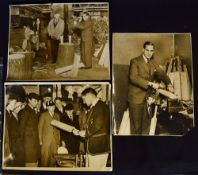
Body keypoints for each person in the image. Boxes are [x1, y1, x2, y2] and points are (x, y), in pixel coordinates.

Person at [128, 41, 174, 135]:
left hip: (148, 99)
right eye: (147, 50)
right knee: (136, 128)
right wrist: (151, 84)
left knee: (146, 127)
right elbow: (133, 78)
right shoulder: (135, 61)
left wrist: (169, 83)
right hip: (136, 99)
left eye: (151, 51)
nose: (149, 53)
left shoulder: (153, 62)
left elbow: (161, 74)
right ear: (143, 50)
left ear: (153, 52)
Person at [73, 87, 110, 169]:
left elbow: (97, 125)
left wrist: (85, 133)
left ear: (89, 96)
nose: (83, 102)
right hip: (99, 147)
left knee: (94, 169)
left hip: (97, 148)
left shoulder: (99, 106)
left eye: (84, 99)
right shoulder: (97, 106)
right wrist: (82, 132)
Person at [18, 93, 40, 167]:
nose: (36, 102)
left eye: (37, 101)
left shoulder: (32, 111)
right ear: (29, 100)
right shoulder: (26, 111)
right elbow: (21, 129)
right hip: (28, 145)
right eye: (34, 101)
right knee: (30, 165)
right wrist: (21, 146)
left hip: (33, 144)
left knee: (34, 164)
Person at [38, 100, 60, 167]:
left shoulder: (57, 115)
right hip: (46, 141)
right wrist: (40, 141)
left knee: (53, 159)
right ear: (47, 107)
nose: (52, 107)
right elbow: (40, 128)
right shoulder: (43, 115)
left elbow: (58, 129)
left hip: (55, 140)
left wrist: (58, 141)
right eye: (50, 106)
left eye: (53, 106)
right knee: (45, 159)